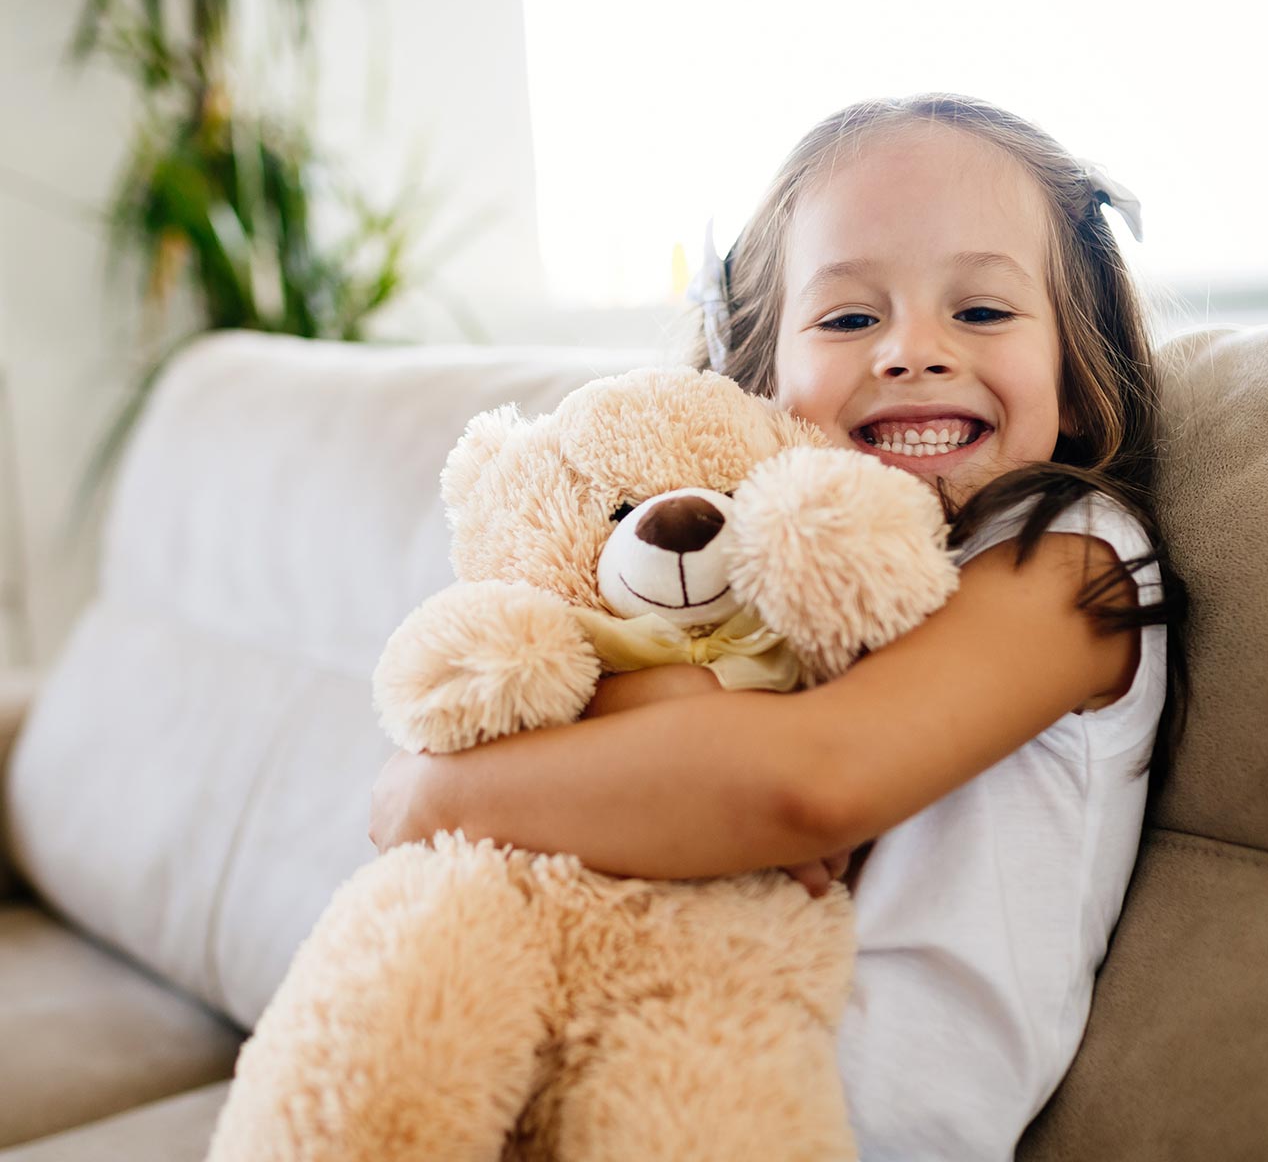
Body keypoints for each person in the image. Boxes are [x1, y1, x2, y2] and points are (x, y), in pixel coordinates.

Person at [369, 92, 1190, 1161]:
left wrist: (423, 796)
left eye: (980, 312)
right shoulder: (740, 579)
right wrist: (680, 725)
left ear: (1077, 378)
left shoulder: (1071, 558)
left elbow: (813, 782)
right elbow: (651, 721)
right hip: (645, 1077)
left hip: (848, 1129)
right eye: (850, 318)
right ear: (760, 386)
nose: (911, 351)